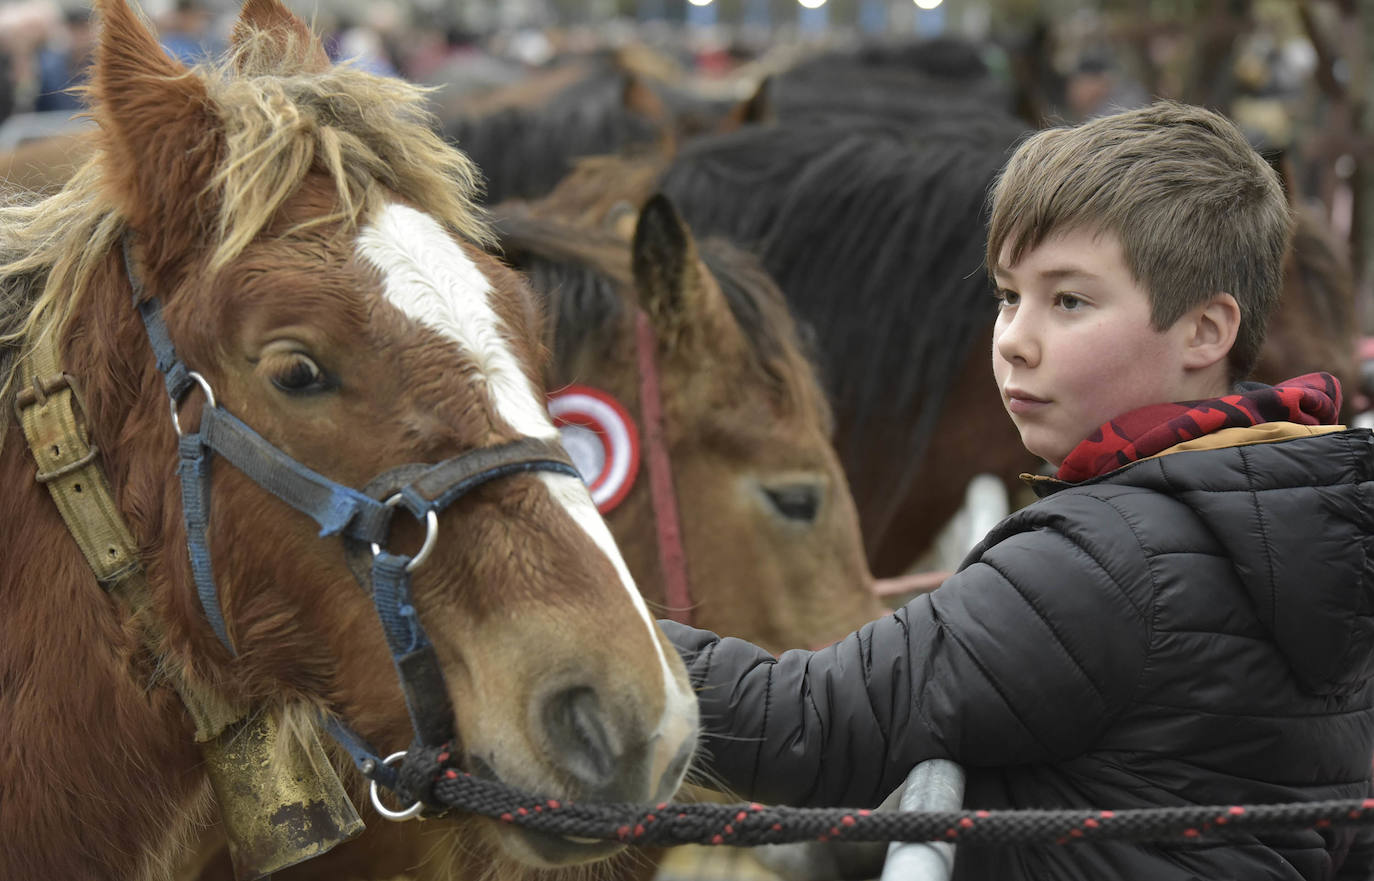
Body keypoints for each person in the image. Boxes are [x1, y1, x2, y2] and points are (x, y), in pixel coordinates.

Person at [660, 101, 1374, 881]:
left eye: (1068, 300)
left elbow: (804, 725)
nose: (1013, 340)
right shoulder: (1301, 515)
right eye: (1008, 295)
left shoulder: (1107, 561)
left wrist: (589, 617)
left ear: (1206, 332)